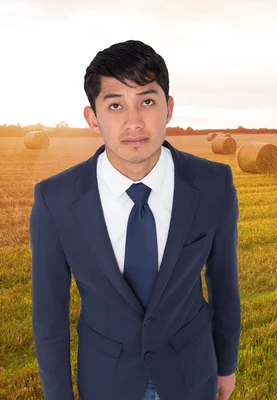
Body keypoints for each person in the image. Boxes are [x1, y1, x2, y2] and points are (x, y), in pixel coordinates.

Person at [29, 39, 241, 400]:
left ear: (169, 107)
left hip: (192, 374)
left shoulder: (213, 184)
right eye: (115, 105)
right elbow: (50, 316)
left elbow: (224, 282)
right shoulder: (55, 199)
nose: (134, 121)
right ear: (92, 117)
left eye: (147, 100)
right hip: (105, 382)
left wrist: (226, 364)